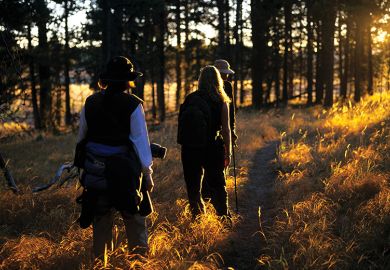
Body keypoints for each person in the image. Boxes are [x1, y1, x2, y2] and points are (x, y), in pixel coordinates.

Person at [76, 56, 154, 258]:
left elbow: (82, 138)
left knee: (101, 220)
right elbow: (140, 143)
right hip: (125, 175)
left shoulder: (90, 102)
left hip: (96, 172)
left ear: (106, 79)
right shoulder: (133, 105)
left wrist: (84, 169)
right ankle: (139, 262)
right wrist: (147, 174)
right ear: (128, 80)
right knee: (134, 219)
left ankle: (101, 263)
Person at [179, 65, 232, 218]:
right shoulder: (221, 101)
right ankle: (224, 218)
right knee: (218, 185)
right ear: (218, 80)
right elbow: (226, 130)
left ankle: (197, 219)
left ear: (200, 80)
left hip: (190, 149)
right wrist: (227, 153)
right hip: (212, 148)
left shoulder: (190, 98)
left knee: (193, 187)